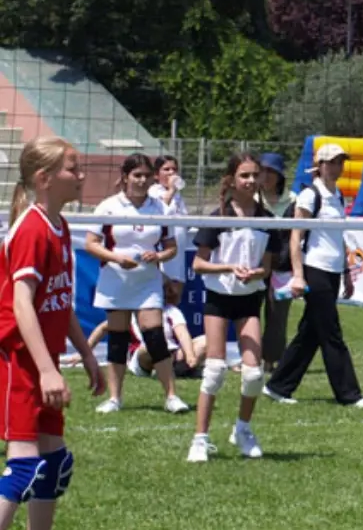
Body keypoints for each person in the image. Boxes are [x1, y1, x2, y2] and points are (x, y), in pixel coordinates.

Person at [0, 137, 104, 530]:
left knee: (54, 464)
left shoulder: (59, 226)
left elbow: (57, 303)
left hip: (43, 363)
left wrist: (84, 352)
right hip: (19, 364)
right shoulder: (31, 229)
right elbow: (22, 302)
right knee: (23, 467)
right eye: (72, 168)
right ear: (44, 178)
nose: (81, 176)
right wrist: (45, 369)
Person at [264, 144, 363, 408]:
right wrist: (299, 276)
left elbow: (338, 238)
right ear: (321, 165)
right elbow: (296, 238)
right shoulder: (309, 196)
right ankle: (350, 394)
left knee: (310, 333)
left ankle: (278, 386)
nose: (339, 167)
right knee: (331, 333)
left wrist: (347, 272)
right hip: (315, 270)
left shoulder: (337, 195)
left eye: (341, 162)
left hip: (333, 270)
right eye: (334, 162)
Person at [187, 153, 282, 463]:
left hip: (249, 300)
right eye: (244, 175)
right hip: (219, 299)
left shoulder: (267, 221)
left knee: (254, 373)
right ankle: (200, 439)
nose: (251, 181)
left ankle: (242, 428)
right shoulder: (218, 217)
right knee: (214, 370)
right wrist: (228, 268)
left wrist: (256, 273)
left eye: (256, 175)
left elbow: (266, 269)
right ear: (231, 180)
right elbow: (199, 264)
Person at [87, 153, 188, 415]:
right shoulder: (108, 207)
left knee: (154, 334)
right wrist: (116, 258)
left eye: (146, 175)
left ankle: (171, 396)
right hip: (115, 280)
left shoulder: (161, 208)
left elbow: (172, 248)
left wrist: (158, 256)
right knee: (118, 338)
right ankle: (114, 398)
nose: (142, 180)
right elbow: (91, 244)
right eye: (136, 175)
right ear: (125, 177)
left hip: (147, 282)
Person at [257, 152, 295, 373]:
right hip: (255, 266)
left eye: (272, 171)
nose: (266, 176)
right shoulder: (251, 200)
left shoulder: (293, 201)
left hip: (283, 267)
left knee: (278, 315)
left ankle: (272, 358)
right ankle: (248, 356)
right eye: (263, 170)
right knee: (249, 313)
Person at [149, 154, 189, 291]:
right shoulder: (153, 192)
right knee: (164, 293)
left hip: (178, 254)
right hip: (163, 253)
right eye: (166, 169)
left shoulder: (177, 195)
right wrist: (171, 190)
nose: (172, 173)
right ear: (156, 174)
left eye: (174, 169)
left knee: (176, 292)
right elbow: (158, 211)